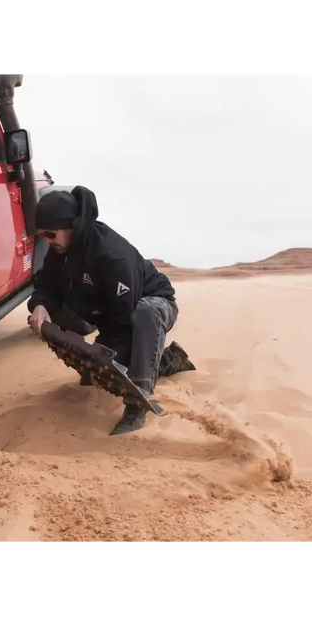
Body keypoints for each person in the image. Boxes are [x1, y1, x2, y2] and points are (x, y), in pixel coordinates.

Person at [27, 185, 195, 435]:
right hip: (105, 315)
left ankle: (137, 404)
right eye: (42, 236)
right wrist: (40, 306)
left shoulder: (113, 256)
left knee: (143, 317)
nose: (47, 242)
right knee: (102, 371)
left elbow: (123, 320)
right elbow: (47, 284)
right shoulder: (59, 251)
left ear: (71, 226)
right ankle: (167, 361)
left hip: (152, 305)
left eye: (51, 234)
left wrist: (107, 357)